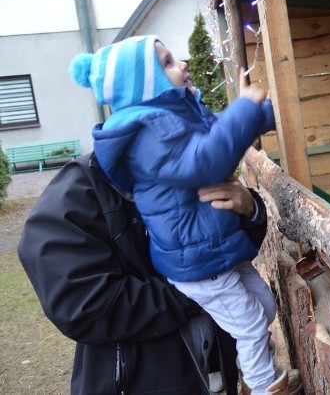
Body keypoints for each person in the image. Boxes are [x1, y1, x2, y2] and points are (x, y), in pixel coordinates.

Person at [66, 35, 301, 395]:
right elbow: (206, 162)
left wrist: (264, 113)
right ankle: (264, 385)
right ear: (143, 86)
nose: (183, 65)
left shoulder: (174, 118)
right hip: (197, 261)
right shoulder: (148, 134)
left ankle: (255, 371)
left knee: (263, 306)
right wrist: (245, 112)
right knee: (252, 325)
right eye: (167, 62)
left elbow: (220, 132)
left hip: (214, 247)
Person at [18, 151, 264, 394]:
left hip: (215, 361)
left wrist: (250, 211)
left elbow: (232, 249)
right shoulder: (81, 189)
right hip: (137, 381)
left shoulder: (188, 166)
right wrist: (203, 293)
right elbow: (83, 305)